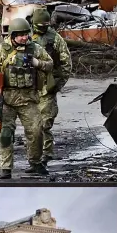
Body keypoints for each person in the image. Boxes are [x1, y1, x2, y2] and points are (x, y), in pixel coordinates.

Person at [0, 17, 53, 179]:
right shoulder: (1, 50)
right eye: (20, 35)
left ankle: (35, 163)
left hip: (28, 99)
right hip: (7, 99)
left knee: (36, 132)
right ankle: (6, 167)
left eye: (26, 34)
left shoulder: (35, 49)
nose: (24, 37)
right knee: (5, 133)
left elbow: (49, 65)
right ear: (13, 35)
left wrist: (37, 63)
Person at [30, 9, 72, 163]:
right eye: (39, 25)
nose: (42, 28)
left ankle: (46, 153)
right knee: (32, 124)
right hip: (28, 86)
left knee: (45, 122)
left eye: (45, 25)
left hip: (46, 86)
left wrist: (57, 84)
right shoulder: (24, 36)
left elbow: (66, 63)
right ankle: (34, 153)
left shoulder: (55, 38)